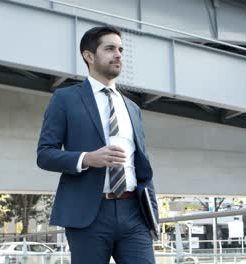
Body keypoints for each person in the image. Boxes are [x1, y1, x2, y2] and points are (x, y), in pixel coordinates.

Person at [37, 26, 158, 264]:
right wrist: (87, 158)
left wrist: (152, 215)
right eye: (110, 48)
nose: (118, 55)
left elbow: (143, 165)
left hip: (134, 212)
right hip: (88, 215)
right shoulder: (66, 98)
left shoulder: (132, 107)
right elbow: (44, 154)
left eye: (121, 49)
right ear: (89, 56)